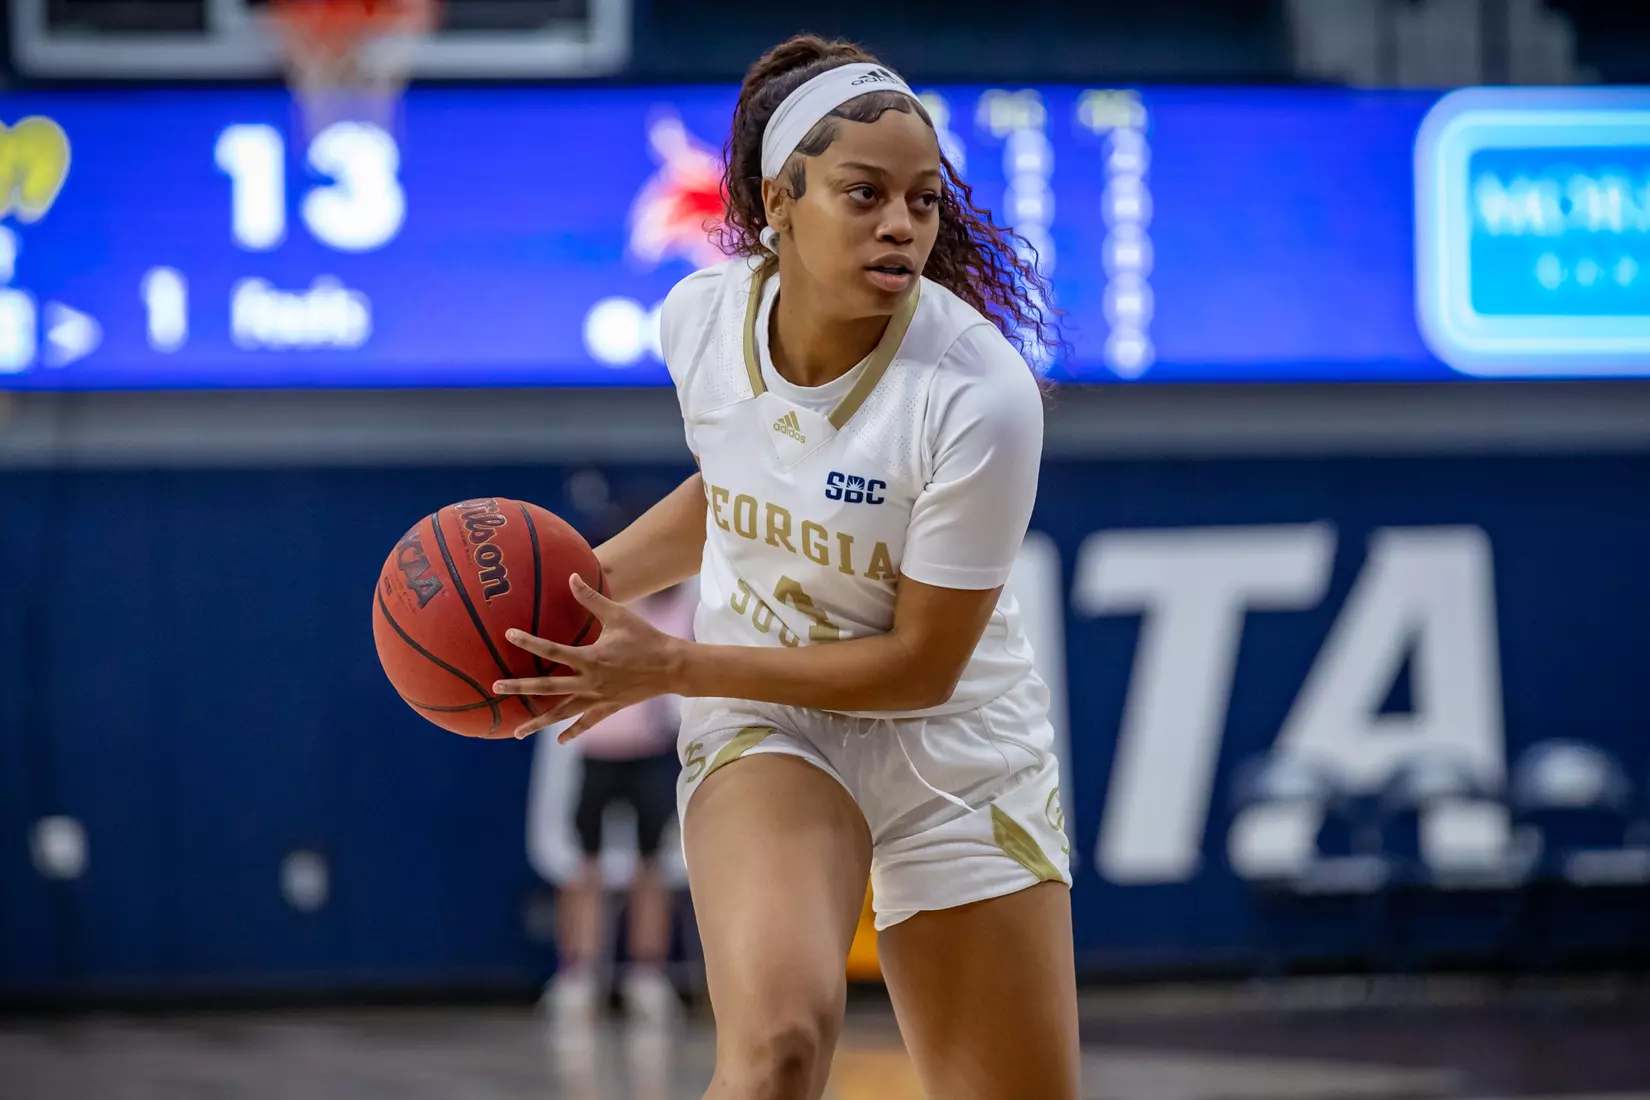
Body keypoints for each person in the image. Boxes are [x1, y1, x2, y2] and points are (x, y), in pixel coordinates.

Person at [498, 34, 1079, 1100]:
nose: (902, 223)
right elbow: (735, 486)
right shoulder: (702, 321)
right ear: (780, 198)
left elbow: (919, 670)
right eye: (865, 193)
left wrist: (673, 665)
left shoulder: (975, 392)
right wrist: (562, 603)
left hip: (951, 744)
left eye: (923, 199)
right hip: (772, 716)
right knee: (775, 1053)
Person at [540, 580, 697, 1028]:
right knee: (584, 865)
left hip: (651, 752)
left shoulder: (686, 609)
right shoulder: (607, 610)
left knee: (651, 866)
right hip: (597, 750)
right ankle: (579, 974)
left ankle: (647, 975)